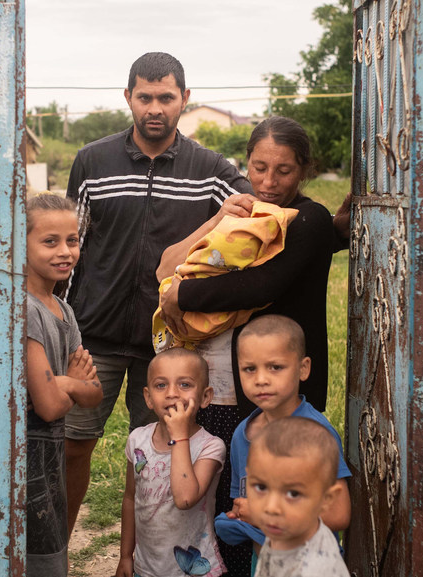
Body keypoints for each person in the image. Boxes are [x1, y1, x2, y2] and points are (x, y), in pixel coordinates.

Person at [62, 51, 254, 533]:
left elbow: (259, 206)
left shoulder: (211, 169)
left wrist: (326, 225)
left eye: (166, 97)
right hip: (94, 338)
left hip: (168, 347)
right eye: (144, 97)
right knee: (73, 445)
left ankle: (143, 558)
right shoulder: (92, 162)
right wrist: (61, 325)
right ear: (127, 97)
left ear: (184, 100)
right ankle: (55, 551)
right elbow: (70, 249)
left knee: (155, 455)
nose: (155, 107)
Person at [158, 117, 336, 574]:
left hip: (287, 383)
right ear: (246, 164)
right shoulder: (251, 215)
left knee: (274, 501)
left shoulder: (307, 218)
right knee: (237, 502)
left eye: (284, 171)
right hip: (247, 383)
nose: (269, 182)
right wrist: (219, 219)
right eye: (259, 168)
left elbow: (263, 284)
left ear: (304, 170)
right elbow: (178, 264)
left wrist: (184, 295)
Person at [215, 315, 351, 571]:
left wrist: (264, 515)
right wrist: (241, 515)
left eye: (275, 367)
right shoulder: (242, 435)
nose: (261, 379)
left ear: (303, 368)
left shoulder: (314, 431)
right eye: (249, 369)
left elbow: (339, 514)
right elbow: (244, 502)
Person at [24, 193, 103, 575]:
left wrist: (65, 383)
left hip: (51, 458)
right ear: (19, 243)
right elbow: (49, 406)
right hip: (26, 463)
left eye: (72, 240)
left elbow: (94, 395)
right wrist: (71, 384)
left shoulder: (62, 308)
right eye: (50, 241)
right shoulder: (25, 310)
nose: (65, 251)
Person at [117, 348, 226, 577]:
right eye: (160, 385)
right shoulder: (138, 440)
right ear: (147, 397)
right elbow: (130, 498)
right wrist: (126, 555)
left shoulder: (211, 447)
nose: (172, 393)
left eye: (185, 385)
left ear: (205, 397)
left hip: (195, 571)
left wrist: (179, 437)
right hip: (146, 568)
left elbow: (185, 499)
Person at [247, 417, 350, 577]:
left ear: (327, 499)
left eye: (293, 494)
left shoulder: (316, 568)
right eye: (261, 487)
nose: (271, 507)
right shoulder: (287, 530)